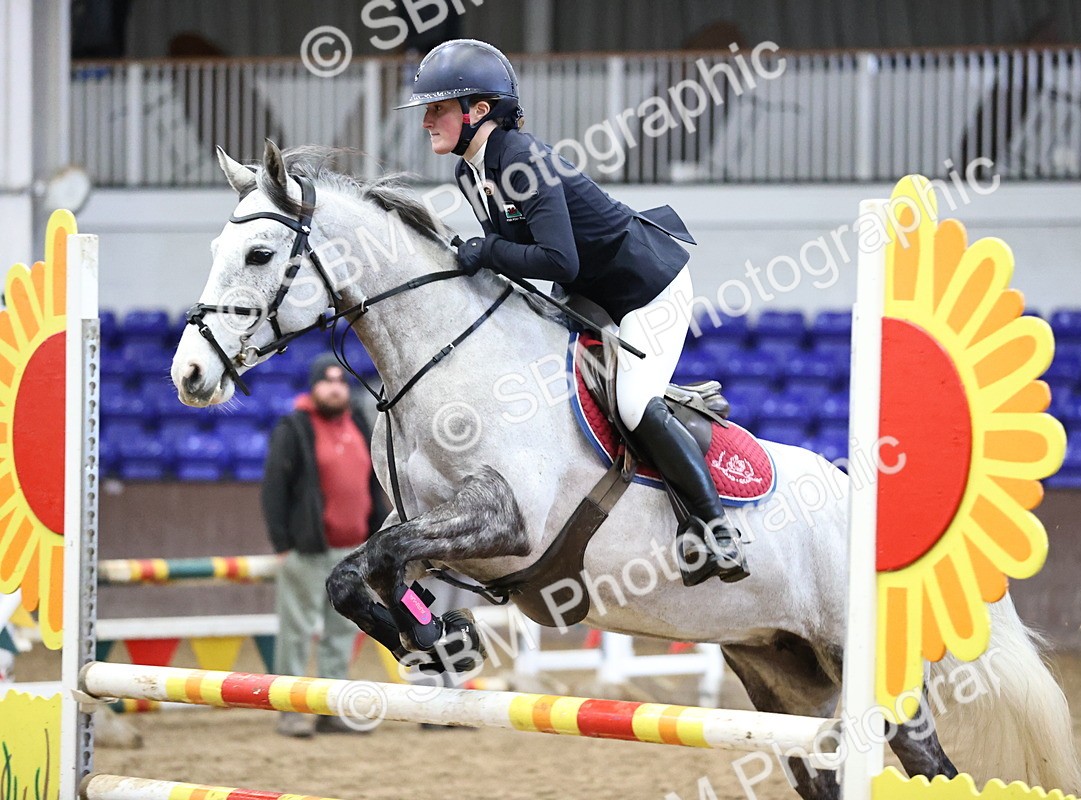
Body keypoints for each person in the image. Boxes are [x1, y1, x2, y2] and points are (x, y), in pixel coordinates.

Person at [395, 39, 749, 586]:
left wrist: (485, 252)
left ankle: (716, 529)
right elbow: (521, 260)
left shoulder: (521, 158)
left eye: (438, 108)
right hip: (584, 288)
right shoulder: (470, 172)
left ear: (479, 111)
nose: (426, 121)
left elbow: (558, 257)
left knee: (632, 401)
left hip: (645, 288)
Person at [261, 354, 390, 736]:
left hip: (352, 555)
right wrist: (283, 544)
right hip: (307, 552)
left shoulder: (359, 423)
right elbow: (273, 489)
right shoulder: (294, 427)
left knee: (341, 632)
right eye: (326, 381)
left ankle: (332, 710)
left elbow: (371, 484)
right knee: (296, 633)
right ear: (313, 387)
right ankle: (290, 710)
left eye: (340, 381)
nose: (335, 387)